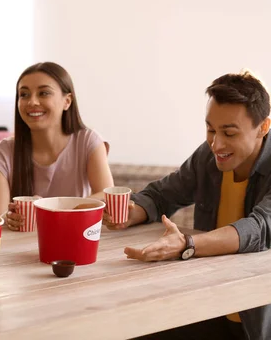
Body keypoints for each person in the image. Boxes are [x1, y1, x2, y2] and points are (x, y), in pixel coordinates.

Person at [105, 71, 271, 340]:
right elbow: (162, 195)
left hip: (254, 319)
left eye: (229, 132)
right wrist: (130, 213)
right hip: (204, 306)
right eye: (210, 129)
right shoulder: (208, 157)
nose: (216, 144)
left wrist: (187, 245)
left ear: (263, 127)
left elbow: (260, 228)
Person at [0, 62, 114, 230]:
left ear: (67, 101)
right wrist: (10, 219)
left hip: (75, 235)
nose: (32, 102)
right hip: (21, 246)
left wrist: (48, 207)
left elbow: (107, 194)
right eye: (24, 95)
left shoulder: (89, 141)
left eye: (43, 93)